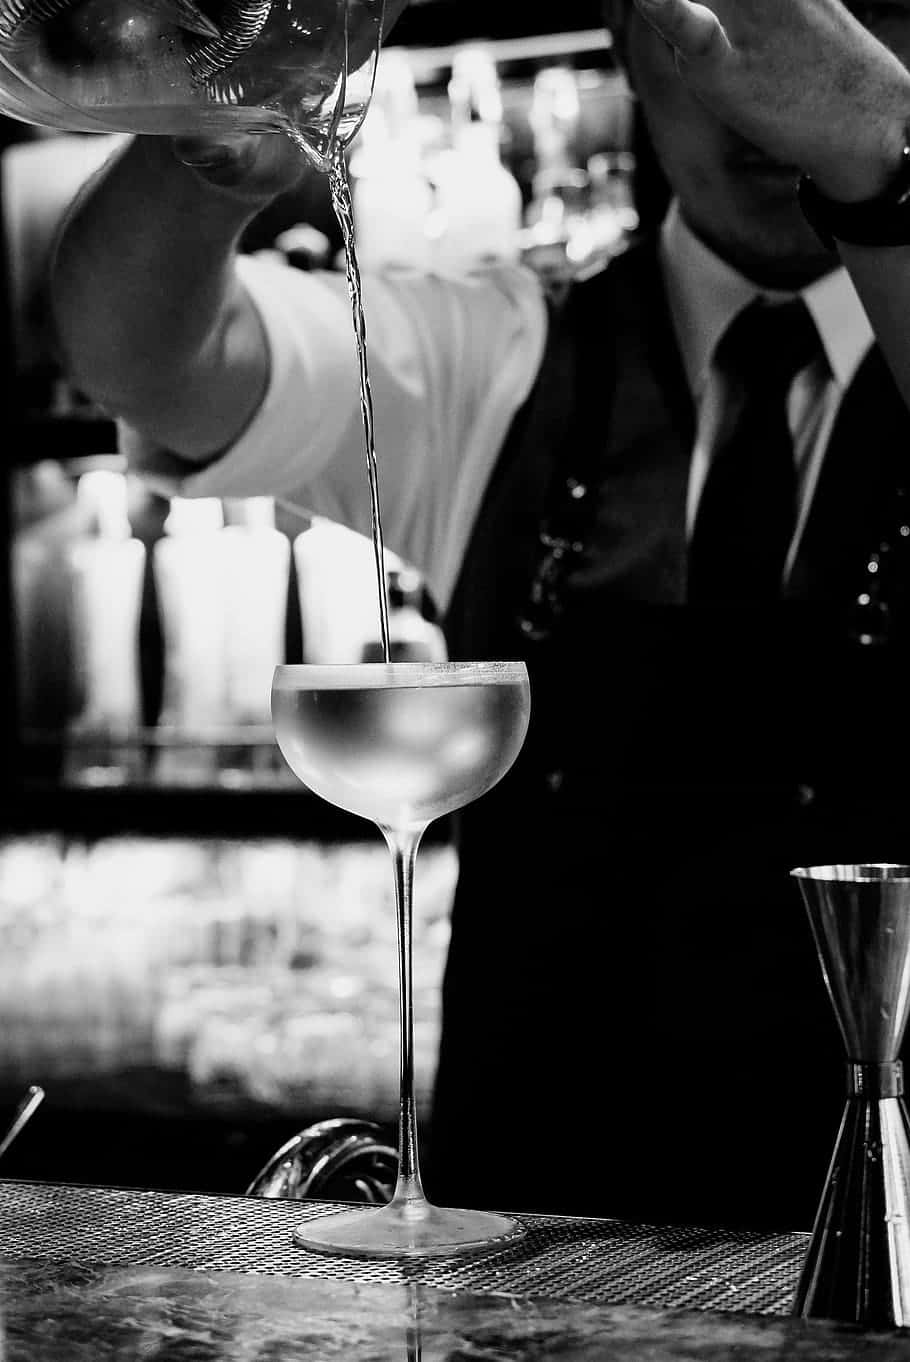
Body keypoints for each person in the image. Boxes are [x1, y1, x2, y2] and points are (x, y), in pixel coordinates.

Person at [50, 0, 910, 1232]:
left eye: (850, 16)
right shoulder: (501, 343)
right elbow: (144, 365)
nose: (769, 74)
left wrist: (883, 146)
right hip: (528, 1262)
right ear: (631, 38)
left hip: (892, 1258)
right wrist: (207, 156)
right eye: (723, 16)